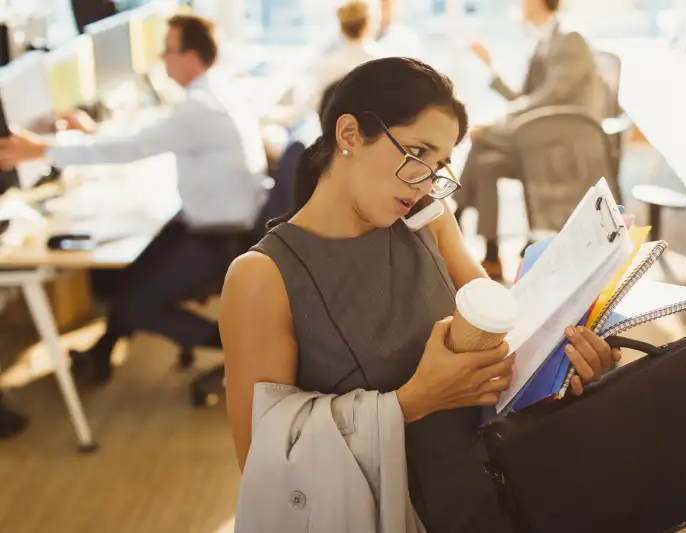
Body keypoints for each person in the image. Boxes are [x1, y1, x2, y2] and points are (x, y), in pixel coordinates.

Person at [220, 57, 620, 532]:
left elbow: (506, 346)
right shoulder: (262, 277)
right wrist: (412, 401)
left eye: (440, 165)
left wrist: (563, 366)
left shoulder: (429, 220)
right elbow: (265, 461)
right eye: (416, 154)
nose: (428, 182)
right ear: (349, 135)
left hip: (491, 494)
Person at [0, 14, 267, 383]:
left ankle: (240, 348)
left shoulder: (199, 109)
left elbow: (133, 147)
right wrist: (88, 135)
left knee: (136, 305)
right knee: (129, 277)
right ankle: (101, 352)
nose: (161, 58)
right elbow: (143, 139)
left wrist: (42, 149)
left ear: (191, 56)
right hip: (216, 222)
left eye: (168, 50)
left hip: (219, 237)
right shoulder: (212, 93)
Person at [454, 0, 608, 280]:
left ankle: (459, 215)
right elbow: (524, 100)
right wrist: (491, 66)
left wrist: (495, 123)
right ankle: (491, 252)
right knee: (487, 161)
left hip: (564, 140)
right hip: (542, 133)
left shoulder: (570, 37)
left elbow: (549, 99)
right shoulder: (545, 38)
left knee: (482, 137)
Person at [264, 0, 383, 130]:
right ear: (370, 24)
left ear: (341, 27)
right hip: (375, 141)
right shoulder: (385, 64)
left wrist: (265, 116)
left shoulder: (326, 64)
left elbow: (304, 112)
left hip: (336, 144)